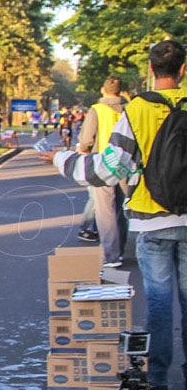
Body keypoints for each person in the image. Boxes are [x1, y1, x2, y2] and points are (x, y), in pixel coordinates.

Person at [39, 40, 187, 390]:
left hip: (151, 222)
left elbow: (106, 170)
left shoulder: (136, 112)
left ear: (151, 71)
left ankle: (160, 384)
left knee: (159, 302)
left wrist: (61, 159)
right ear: (183, 70)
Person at [78, 77, 129, 267]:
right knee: (122, 208)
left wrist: (83, 150)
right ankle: (121, 250)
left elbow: (87, 139)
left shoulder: (97, 109)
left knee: (105, 209)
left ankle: (111, 255)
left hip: (103, 162)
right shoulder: (129, 109)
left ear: (103, 90)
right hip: (125, 162)